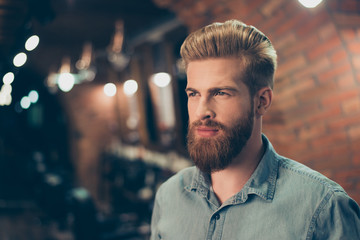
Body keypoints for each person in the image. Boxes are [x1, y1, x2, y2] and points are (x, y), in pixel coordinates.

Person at [150, 19, 360, 239]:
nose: (202, 111)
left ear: (262, 101)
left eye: (221, 93)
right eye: (193, 94)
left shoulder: (323, 207)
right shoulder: (169, 196)